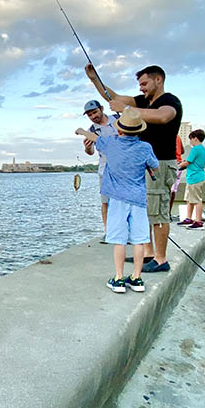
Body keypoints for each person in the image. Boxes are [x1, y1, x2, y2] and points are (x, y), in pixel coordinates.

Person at [85, 63, 182, 273]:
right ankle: (147, 254)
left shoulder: (169, 101)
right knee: (144, 210)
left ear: (159, 80)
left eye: (144, 83)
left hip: (161, 163)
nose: (141, 88)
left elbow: (163, 116)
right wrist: (95, 79)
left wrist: (128, 111)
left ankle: (160, 259)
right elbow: (114, 98)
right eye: (139, 85)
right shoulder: (143, 101)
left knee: (158, 213)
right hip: (142, 167)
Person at [76, 107, 158, 293]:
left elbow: (96, 140)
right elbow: (155, 166)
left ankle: (119, 278)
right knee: (139, 240)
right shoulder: (145, 147)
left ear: (119, 129)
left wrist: (81, 132)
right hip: (138, 199)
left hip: (117, 200)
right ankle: (137, 279)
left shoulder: (110, 143)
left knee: (119, 240)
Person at [81, 99, 119, 234]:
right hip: (105, 170)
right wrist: (87, 148)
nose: (93, 117)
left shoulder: (118, 118)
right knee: (106, 202)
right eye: (90, 115)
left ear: (102, 108)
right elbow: (90, 153)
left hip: (124, 169)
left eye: (95, 112)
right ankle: (107, 231)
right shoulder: (90, 131)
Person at [176, 129, 205, 229]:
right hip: (195, 176)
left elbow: (187, 162)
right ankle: (188, 218)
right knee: (189, 199)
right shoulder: (203, 149)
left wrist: (177, 166)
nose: (190, 141)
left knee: (197, 200)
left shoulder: (195, 149)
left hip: (194, 177)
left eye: (191, 139)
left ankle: (198, 221)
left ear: (195, 138)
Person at [169, 134, 184, 215]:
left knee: (168, 189)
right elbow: (182, 150)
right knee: (173, 190)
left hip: (171, 163)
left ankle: (166, 213)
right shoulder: (178, 136)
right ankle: (169, 212)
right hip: (178, 163)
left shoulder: (168, 136)